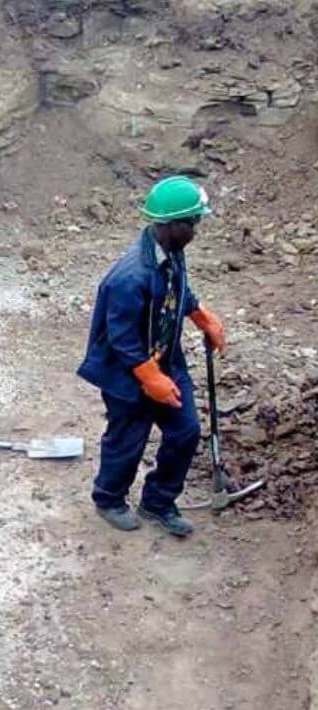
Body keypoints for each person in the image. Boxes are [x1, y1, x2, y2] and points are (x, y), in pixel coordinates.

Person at [77, 176, 227, 537]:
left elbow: (177, 291)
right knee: (128, 438)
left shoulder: (172, 252)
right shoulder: (130, 276)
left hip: (165, 359)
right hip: (127, 374)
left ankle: (158, 500)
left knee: (186, 430)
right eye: (194, 223)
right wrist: (150, 378)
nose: (197, 229)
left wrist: (200, 314)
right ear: (173, 226)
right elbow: (121, 338)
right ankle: (109, 498)